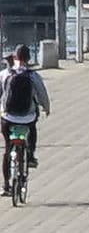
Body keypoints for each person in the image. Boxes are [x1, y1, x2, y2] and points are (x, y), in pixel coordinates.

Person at [0, 45, 49, 195]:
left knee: (8, 148)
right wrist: (46, 108)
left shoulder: (5, 74)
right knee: (32, 126)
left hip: (7, 117)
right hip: (27, 117)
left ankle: (6, 186)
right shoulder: (33, 76)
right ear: (29, 59)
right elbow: (42, 94)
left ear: (14, 57)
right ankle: (31, 155)